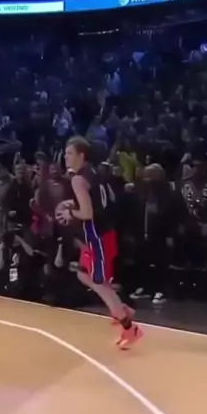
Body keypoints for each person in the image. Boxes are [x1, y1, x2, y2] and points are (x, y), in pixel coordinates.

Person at [57, 136, 143, 350]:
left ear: (81, 155)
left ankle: (129, 328)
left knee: (100, 284)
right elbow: (98, 201)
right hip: (105, 232)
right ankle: (123, 309)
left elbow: (87, 213)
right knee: (82, 273)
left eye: (69, 153)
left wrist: (70, 213)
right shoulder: (95, 172)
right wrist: (74, 203)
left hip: (97, 236)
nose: (66, 157)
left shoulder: (78, 179)